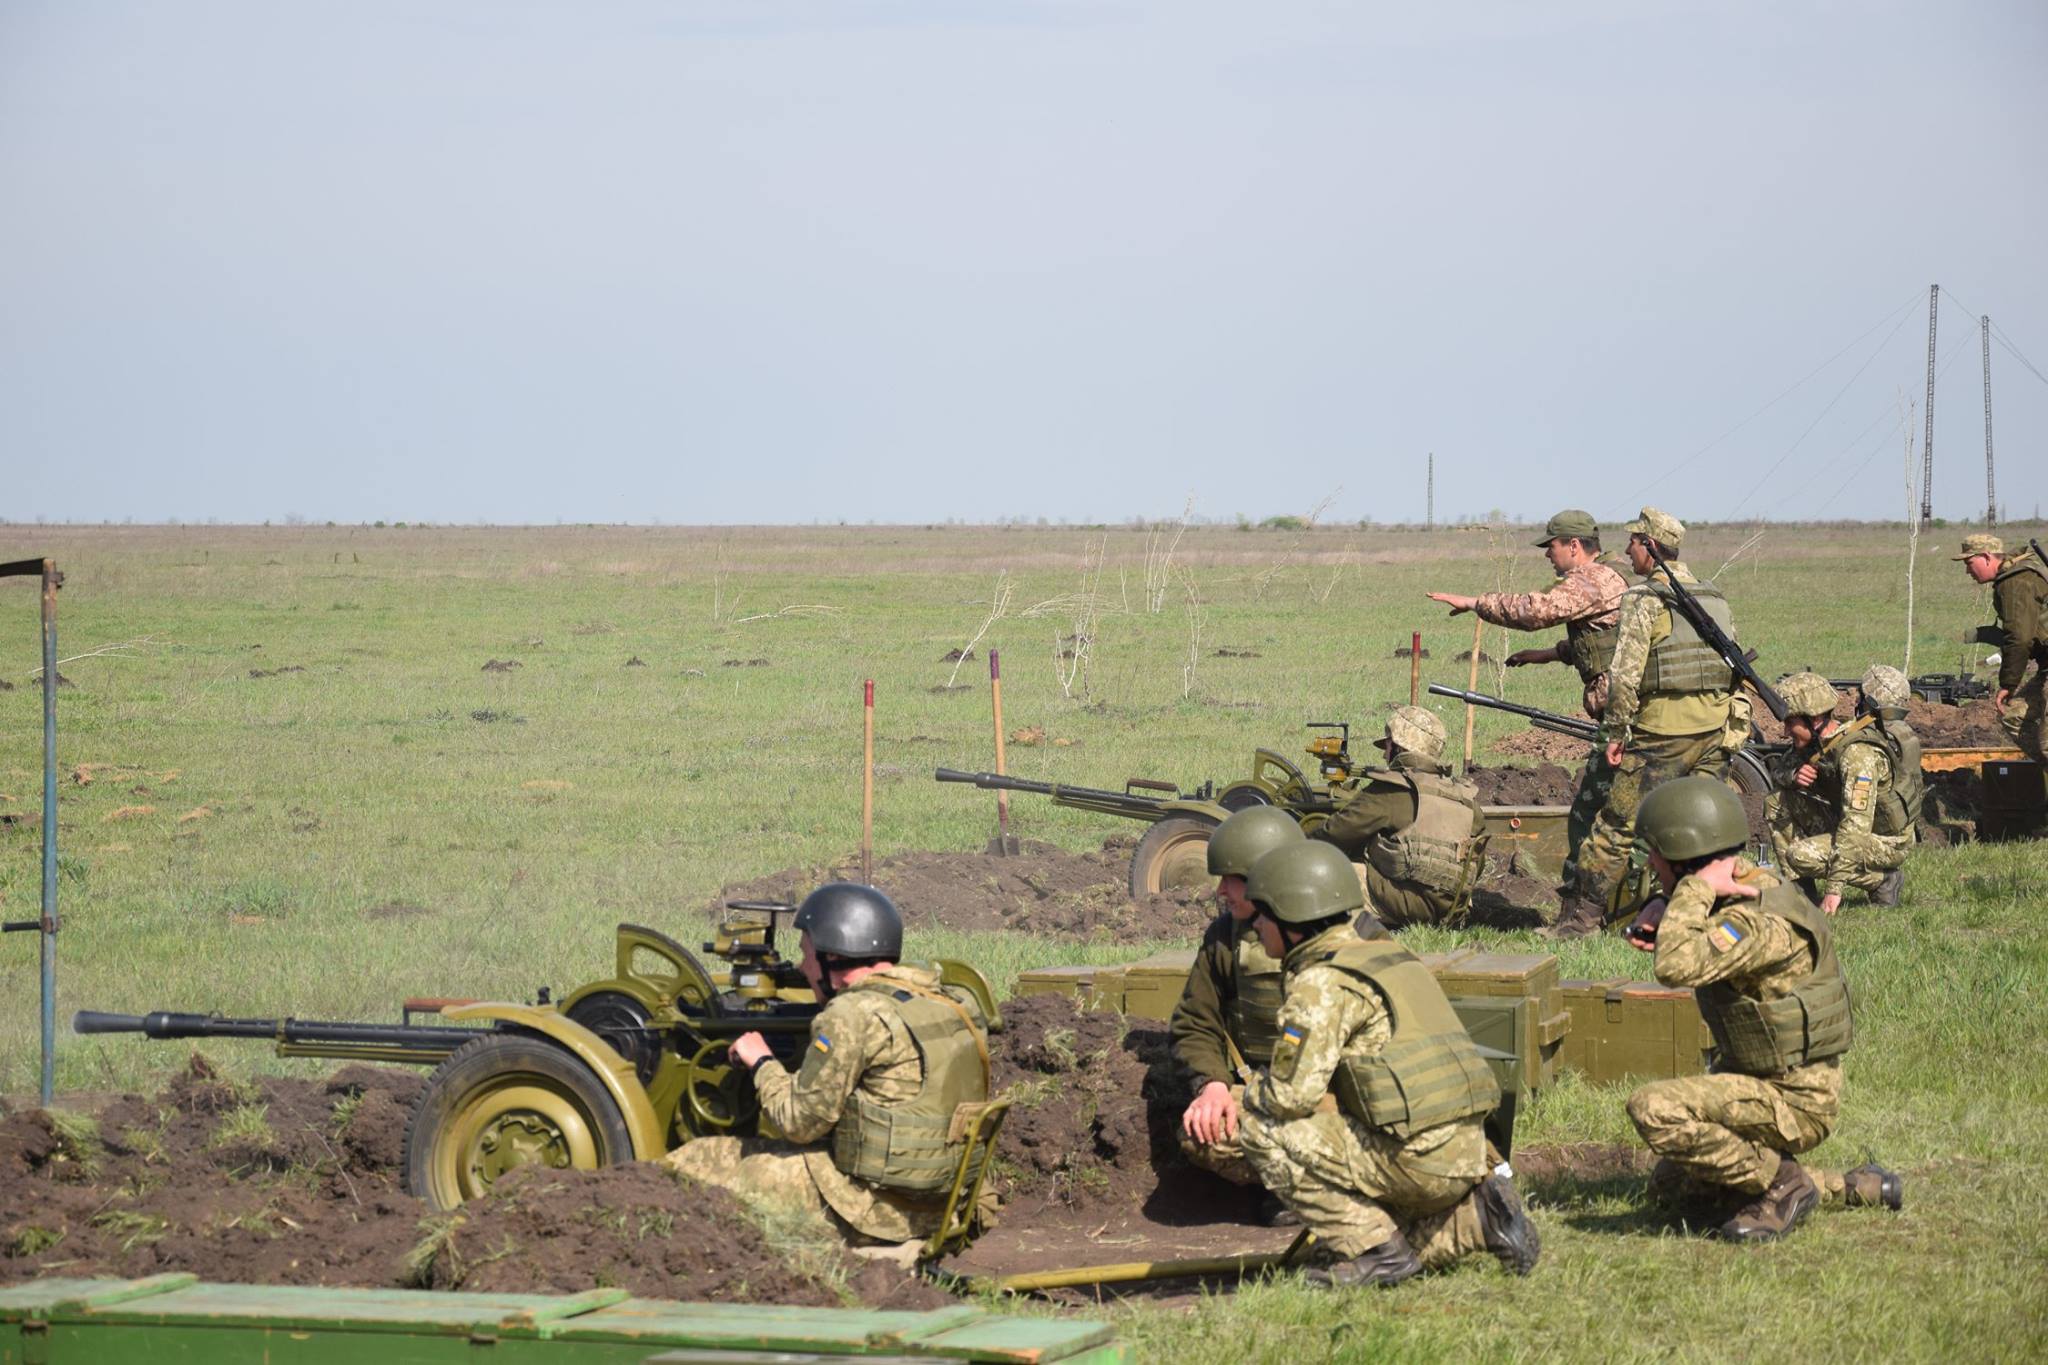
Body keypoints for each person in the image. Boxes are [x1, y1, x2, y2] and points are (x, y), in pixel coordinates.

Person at [1236, 840, 1540, 1288]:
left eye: (1263, 915)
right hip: (1470, 1152)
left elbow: (1289, 1096)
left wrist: (1242, 1091)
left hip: (1419, 1159)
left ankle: (1377, 1252)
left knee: (1259, 1128)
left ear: (1294, 920)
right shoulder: (1389, 956)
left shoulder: (1322, 983)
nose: (1256, 926)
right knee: (1338, 1252)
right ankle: (1479, 1219)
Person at [1621, 777, 1901, 1241]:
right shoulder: (1746, 880)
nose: (1649, 862)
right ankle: (1852, 1187)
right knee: (1675, 1191)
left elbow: (1674, 965)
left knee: (1654, 1110)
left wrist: (1688, 894)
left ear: (1684, 856)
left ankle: (1780, 1183)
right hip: (1760, 1078)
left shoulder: (1754, 921)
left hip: (1794, 1099)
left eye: (1656, 855)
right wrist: (1663, 902)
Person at [665, 883, 993, 1256]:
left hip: (876, 1213)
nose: (802, 967)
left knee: (687, 1165)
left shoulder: (852, 1016)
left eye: (806, 954)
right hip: (948, 1203)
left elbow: (798, 1124)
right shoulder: (949, 1003)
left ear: (832, 957)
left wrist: (761, 1061)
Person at [1553, 507, 1748, 937]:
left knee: (1615, 827)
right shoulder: (1713, 595)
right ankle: (1709, 914)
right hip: (1715, 731)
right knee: (1705, 828)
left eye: (1634, 542)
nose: (1626, 550)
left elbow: (1625, 675)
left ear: (1651, 548)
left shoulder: (1644, 599)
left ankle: (1580, 922)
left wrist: (1618, 732)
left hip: (1661, 733)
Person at [1426, 509, 1630, 903]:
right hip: (1623, 711)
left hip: (1622, 717)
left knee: (1593, 813)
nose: (1546, 554)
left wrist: (1475, 603)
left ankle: (1585, 906)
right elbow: (1602, 643)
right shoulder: (1610, 577)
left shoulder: (1591, 579)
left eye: (1551, 546)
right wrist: (1546, 655)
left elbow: (1536, 611)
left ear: (1574, 546)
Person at [1169, 806, 1310, 1197]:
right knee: (1201, 1134)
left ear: (1266, 878)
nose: (1220, 891)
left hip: (1336, 1097)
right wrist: (1212, 1085)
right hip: (1269, 1091)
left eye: (1231, 880)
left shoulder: (1341, 935)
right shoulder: (1225, 939)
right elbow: (1196, 1021)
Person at [1309, 706, 1487, 928]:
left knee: (1312, 873)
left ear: (1399, 747)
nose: (1384, 754)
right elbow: (1477, 861)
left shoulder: (1391, 791)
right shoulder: (1465, 798)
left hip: (1406, 907)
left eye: (1387, 745)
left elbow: (1333, 834)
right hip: (1454, 910)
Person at [1764, 670, 1918, 912]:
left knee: (1800, 855)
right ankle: (1800, 894)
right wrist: (1793, 776)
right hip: (1852, 825)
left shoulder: (1856, 755)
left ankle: (1883, 882)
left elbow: (1856, 825)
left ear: (1813, 720)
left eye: (1790, 723)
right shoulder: (1819, 742)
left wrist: (1834, 890)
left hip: (1885, 840)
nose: (1785, 732)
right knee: (1776, 801)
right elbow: (1778, 771)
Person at [1956, 532, 2048, 765]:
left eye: (1969, 562)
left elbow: (2019, 638)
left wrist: (2008, 683)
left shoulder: (2016, 581)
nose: (1968, 571)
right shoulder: (2016, 575)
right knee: (2014, 716)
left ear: (1986, 557)